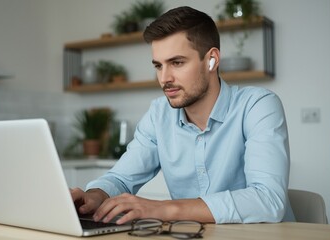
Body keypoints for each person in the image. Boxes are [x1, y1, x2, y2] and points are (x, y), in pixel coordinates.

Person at [71, 6, 295, 224]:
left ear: (212, 60)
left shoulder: (258, 105)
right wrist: (95, 196)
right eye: (158, 66)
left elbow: (268, 200)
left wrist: (163, 208)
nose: (164, 78)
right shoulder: (158, 115)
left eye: (177, 63)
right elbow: (120, 178)